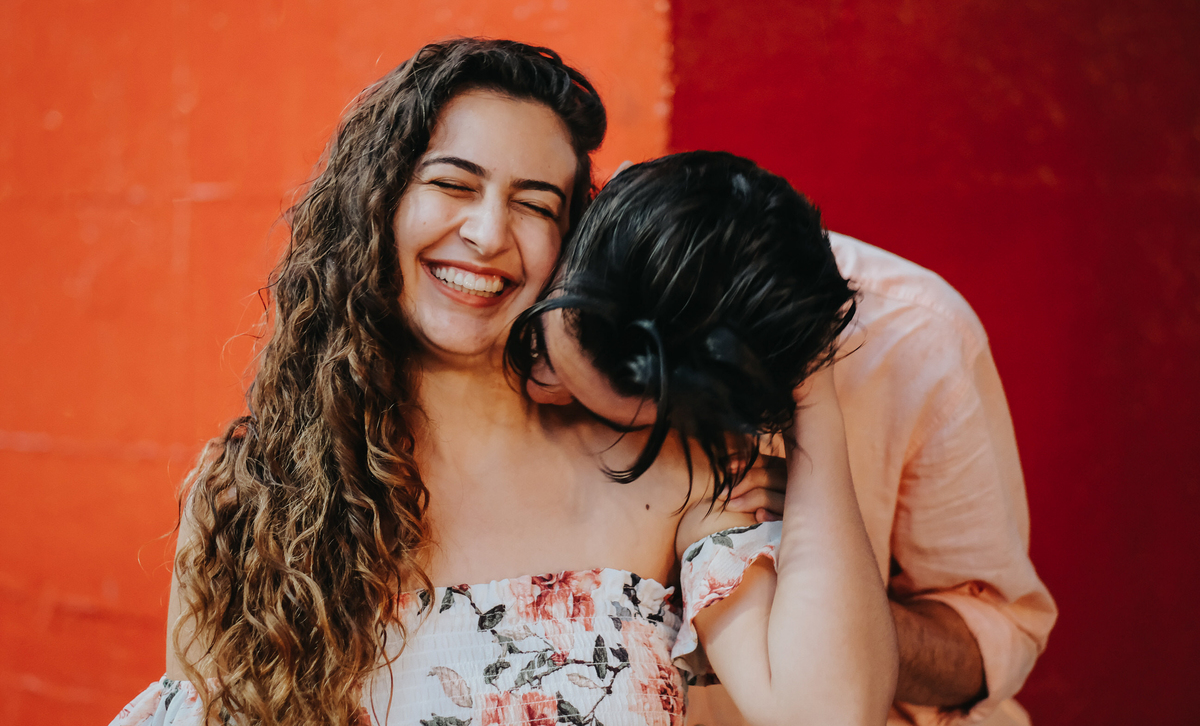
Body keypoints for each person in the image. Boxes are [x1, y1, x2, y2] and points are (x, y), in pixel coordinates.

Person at [109, 40, 896, 726]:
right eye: (453, 185)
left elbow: (828, 711)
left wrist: (806, 388)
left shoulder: (664, 469)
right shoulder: (248, 491)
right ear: (374, 205)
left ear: (570, 244)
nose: (488, 236)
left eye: (535, 204)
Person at [514, 154, 1058, 726]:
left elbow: (990, 640)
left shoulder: (920, 340)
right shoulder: (536, 262)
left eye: (622, 420)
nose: (539, 386)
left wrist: (821, 607)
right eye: (546, 349)